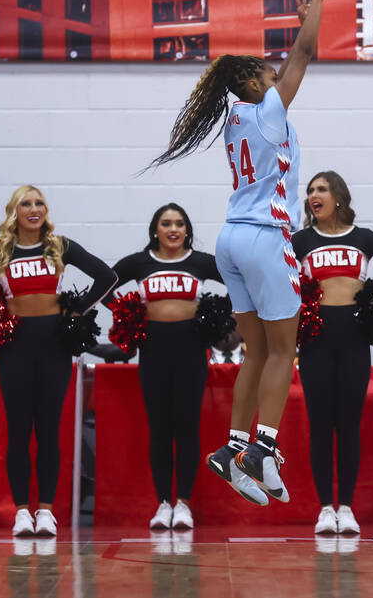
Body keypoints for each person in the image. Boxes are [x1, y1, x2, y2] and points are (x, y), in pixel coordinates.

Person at [150, 0, 352, 507]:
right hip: (265, 236)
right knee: (288, 350)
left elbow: (286, 64)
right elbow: (302, 57)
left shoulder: (235, 115)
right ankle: (263, 449)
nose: (275, 75)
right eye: (266, 73)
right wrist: (315, 7)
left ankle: (231, 447)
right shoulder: (265, 109)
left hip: (230, 239)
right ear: (254, 84)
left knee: (256, 353)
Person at [0, 185, 117, 537]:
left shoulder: (59, 246)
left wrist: (77, 311)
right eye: (26, 203)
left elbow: (107, 276)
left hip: (54, 345)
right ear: (15, 211)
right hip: (15, 347)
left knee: (49, 429)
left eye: (40, 203)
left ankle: (46, 511)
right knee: (19, 430)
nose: (34, 208)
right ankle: (22, 511)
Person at [291, 171, 373, 535]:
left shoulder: (362, 238)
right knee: (320, 425)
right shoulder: (299, 240)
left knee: (348, 425)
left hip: (354, 337)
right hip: (316, 338)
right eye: (310, 191)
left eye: (322, 189)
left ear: (339, 198)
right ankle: (323, 509)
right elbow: (270, 274)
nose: (314, 195)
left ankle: (345, 506)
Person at [108, 203, 223, 531]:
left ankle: (183, 503)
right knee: (159, 428)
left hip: (191, 351)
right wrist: (124, 313)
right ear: (154, 230)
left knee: (187, 428)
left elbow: (240, 284)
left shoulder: (201, 263)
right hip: (153, 351)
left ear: (187, 231)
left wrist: (223, 321)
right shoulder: (139, 263)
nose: (173, 229)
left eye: (179, 224)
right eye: (166, 223)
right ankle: (162, 503)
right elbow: (104, 285)